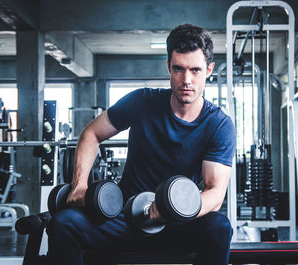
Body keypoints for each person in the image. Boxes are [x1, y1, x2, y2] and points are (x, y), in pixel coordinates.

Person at [47, 23, 236, 265]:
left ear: (208, 70)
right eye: (178, 69)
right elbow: (91, 133)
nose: (186, 79)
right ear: (168, 65)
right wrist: (79, 185)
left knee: (219, 227)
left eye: (195, 70)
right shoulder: (141, 101)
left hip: (176, 223)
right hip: (126, 216)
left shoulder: (218, 125)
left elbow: (215, 193)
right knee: (63, 223)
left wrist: (169, 210)